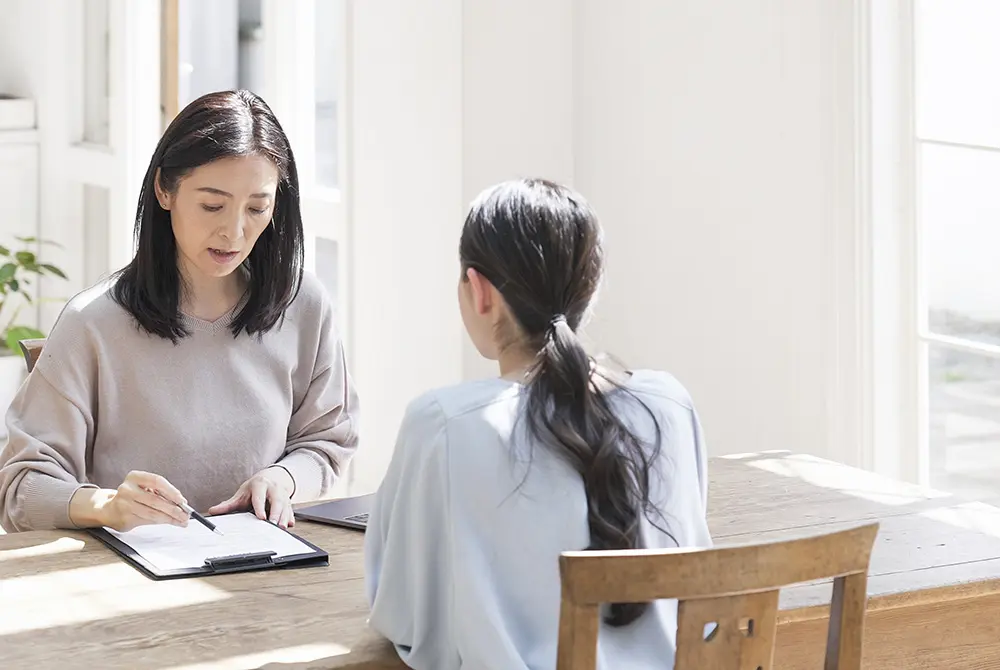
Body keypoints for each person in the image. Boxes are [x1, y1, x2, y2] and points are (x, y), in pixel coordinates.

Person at [364, 178, 712, 669]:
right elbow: (692, 580)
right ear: (588, 289)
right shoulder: (669, 404)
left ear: (480, 292)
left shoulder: (445, 424)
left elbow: (399, 615)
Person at [0, 90, 359, 533]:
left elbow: (327, 440)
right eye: (212, 205)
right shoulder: (93, 323)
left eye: (257, 208)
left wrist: (284, 478)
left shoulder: (303, 304)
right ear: (164, 190)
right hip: (130, 583)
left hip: (268, 574)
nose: (233, 231)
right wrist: (106, 506)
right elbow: (20, 488)